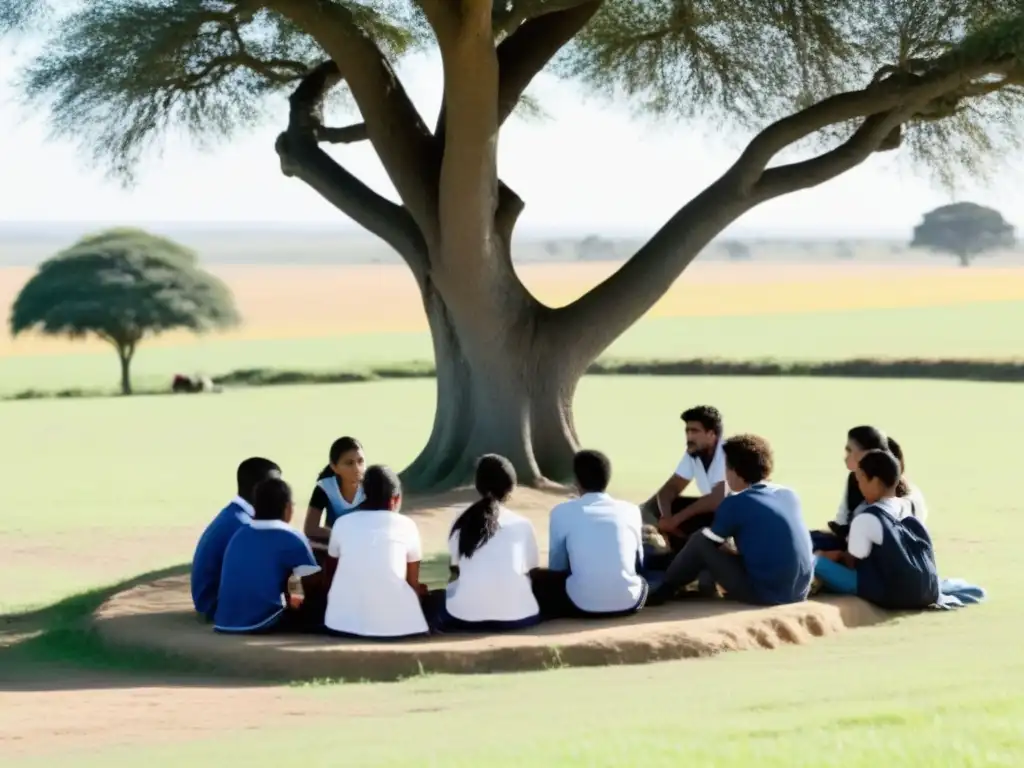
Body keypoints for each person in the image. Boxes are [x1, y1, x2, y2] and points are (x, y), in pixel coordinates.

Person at [647, 434, 813, 606]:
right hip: (800, 592)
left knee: (700, 540)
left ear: (734, 472)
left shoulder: (735, 502)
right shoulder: (789, 494)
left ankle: (664, 588)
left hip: (766, 595)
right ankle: (700, 584)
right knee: (721, 542)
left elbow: (707, 545)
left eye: (726, 469)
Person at [814, 450, 940, 610]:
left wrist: (829, 555)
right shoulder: (909, 506)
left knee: (813, 561)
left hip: (892, 595)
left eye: (861, 479)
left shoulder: (867, 517)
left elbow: (852, 561)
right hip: (928, 590)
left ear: (874, 481)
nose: (858, 485)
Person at [532, 450, 647, 618]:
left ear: (576, 481)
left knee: (535, 578)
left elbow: (557, 566)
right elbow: (639, 562)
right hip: (630, 603)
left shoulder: (561, 512)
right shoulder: (632, 510)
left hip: (580, 605)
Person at [322, 464, 431, 640]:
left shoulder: (342, 523)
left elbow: (331, 575)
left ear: (363, 495)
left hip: (340, 624)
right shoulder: (407, 525)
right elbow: (412, 583)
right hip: (398, 627)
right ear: (395, 498)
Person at [440, 454, 542, 632]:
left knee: (438, 597)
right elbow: (532, 569)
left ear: (478, 485)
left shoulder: (461, 520)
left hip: (464, 618)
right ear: (511, 488)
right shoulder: (522, 524)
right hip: (519, 617)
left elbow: (454, 569)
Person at [213, 477, 324, 634]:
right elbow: (313, 583)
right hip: (262, 620)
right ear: (287, 508)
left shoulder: (239, 534)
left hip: (223, 621)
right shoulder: (291, 536)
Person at [190, 457, 281, 620]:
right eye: (274, 487)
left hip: (211, 601)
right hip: (215, 606)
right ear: (256, 489)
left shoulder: (235, 515)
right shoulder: (242, 525)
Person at [813, 426, 929, 551]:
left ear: (869, 454)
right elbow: (842, 523)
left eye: (849, 450)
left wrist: (836, 554)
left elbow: (862, 553)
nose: (845, 457)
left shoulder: (883, 507)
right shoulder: (860, 483)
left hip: (875, 563)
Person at [646, 406, 728, 552]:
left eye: (695, 431)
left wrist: (675, 520)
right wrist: (667, 516)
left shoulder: (727, 453)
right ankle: (674, 549)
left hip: (736, 515)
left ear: (711, 434)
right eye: (687, 431)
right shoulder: (694, 453)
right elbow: (671, 488)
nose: (689, 436)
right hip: (716, 513)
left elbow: (717, 499)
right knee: (652, 506)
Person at [304, 436, 366, 545]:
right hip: (333, 544)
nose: (357, 469)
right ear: (334, 467)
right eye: (349, 463)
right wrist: (344, 536)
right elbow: (310, 529)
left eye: (360, 461)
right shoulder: (325, 488)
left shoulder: (372, 486)